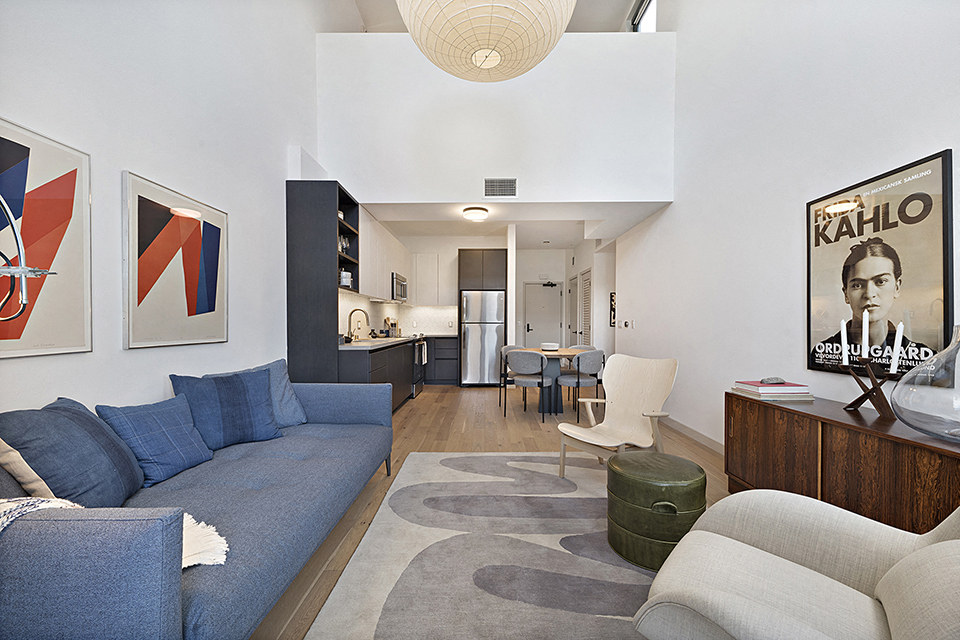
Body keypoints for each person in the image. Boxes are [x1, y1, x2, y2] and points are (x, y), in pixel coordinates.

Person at [811, 237, 934, 372]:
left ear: (897, 287)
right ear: (846, 294)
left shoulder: (923, 359)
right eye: (857, 285)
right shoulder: (823, 353)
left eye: (880, 281)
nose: (869, 294)